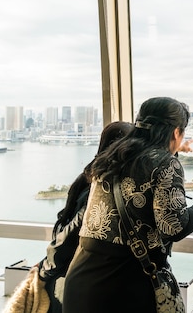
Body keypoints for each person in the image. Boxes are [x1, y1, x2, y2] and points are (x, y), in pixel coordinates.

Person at [62, 97, 193, 313]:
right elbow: (173, 227)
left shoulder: (112, 156)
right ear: (176, 132)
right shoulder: (165, 163)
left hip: (82, 280)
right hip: (125, 286)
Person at [37, 121, 134, 313]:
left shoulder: (89, 177)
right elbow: (73, 232)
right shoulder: (103, 189)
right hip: (83, 279)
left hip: (73, 276)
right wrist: (45, 269)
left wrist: (46, 269)